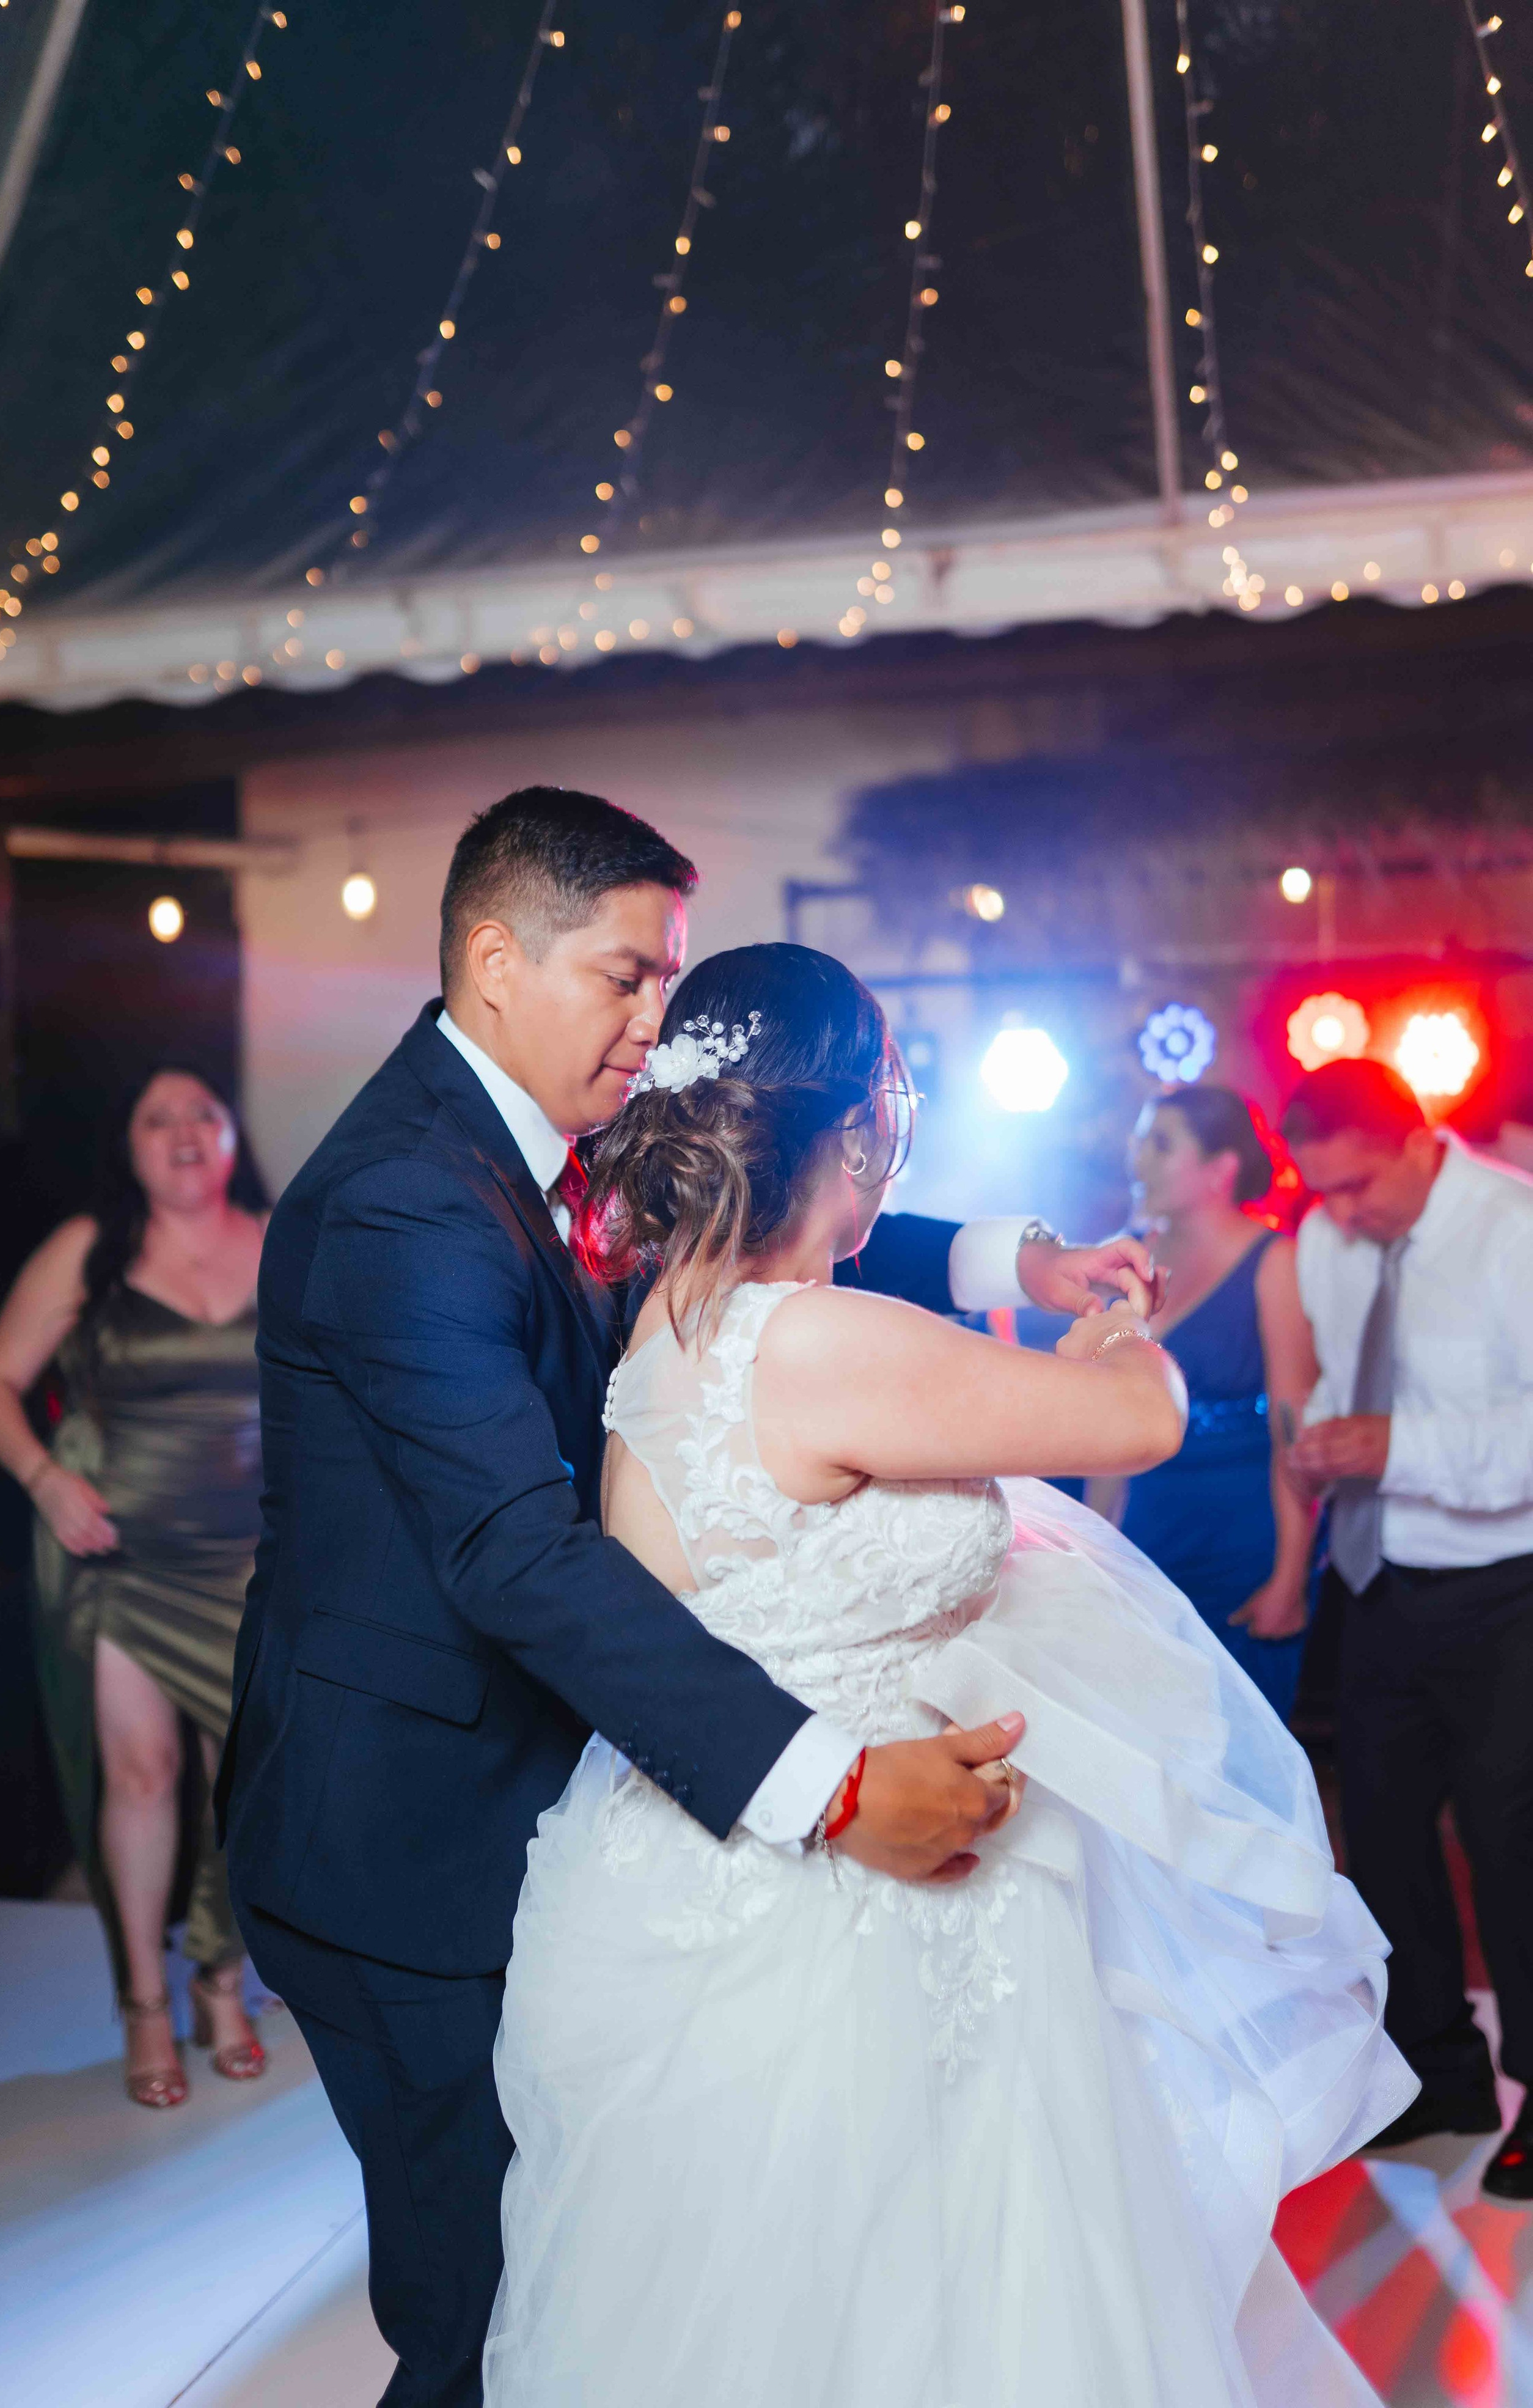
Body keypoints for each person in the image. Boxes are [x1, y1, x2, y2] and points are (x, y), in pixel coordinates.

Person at [216, 785, 1166, 2408]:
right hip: (405, 1851)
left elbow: (756, 1203)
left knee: (613, 2290)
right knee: (500, 2326)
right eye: (628, 977)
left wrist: (1008, 1262)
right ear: (498, 961)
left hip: (546, 1797)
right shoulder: (399, 1203)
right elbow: (516, 1554)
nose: (659, 1023)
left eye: (669, 981)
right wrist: (834, 1785)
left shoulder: (540, 1147)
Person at [482, 941, 1413, 2408]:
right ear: (851, 1134)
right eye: (888, 1125)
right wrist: (1123, 1338)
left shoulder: (671, 1323)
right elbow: (1135, 1420)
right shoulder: (821, 1339)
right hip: (874, 1902)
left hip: (696, 1852)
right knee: (956, 2304)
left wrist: (1024, 1266)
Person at [0, 1067, 271, 2109]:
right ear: (128, 1144)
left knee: (248, 1783)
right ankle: (147, 1997)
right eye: (157, 1117)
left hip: (251, 1564)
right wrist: (46, 1481)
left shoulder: (283, 1240)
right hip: (119, 1555)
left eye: (203, 1113)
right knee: (141, 1776)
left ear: (233, 1135)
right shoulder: (91, 1250)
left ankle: (223, 1978)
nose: (184, 1132)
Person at [1282, 1057, 1533, 2198]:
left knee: (1514, 1849)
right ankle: (1439, 2072)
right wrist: (1329, 1439)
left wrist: (1398, 1449)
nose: (1338, 1214)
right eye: (1320, 1191)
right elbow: (1348, 1379)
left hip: (1506, 1587)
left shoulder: (1514, 1230)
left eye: (1358, 1187)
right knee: (1379, 1837)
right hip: (1378, 1583)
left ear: (1422, 1140)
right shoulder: (1332, 1243)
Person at [1118, 1086, 1321, 1721]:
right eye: (1140, 1139)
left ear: (1220, 1169)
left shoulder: (1274, 1261)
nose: (1139, 1158)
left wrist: (1290, 1578)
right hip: (1148, 1526)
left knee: (1242, 1740)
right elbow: (1103, 1425)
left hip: (1241, 1535)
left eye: (1161, 1143)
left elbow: (1295, 1429)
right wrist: (1102, 1547)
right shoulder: (1127, 1256)